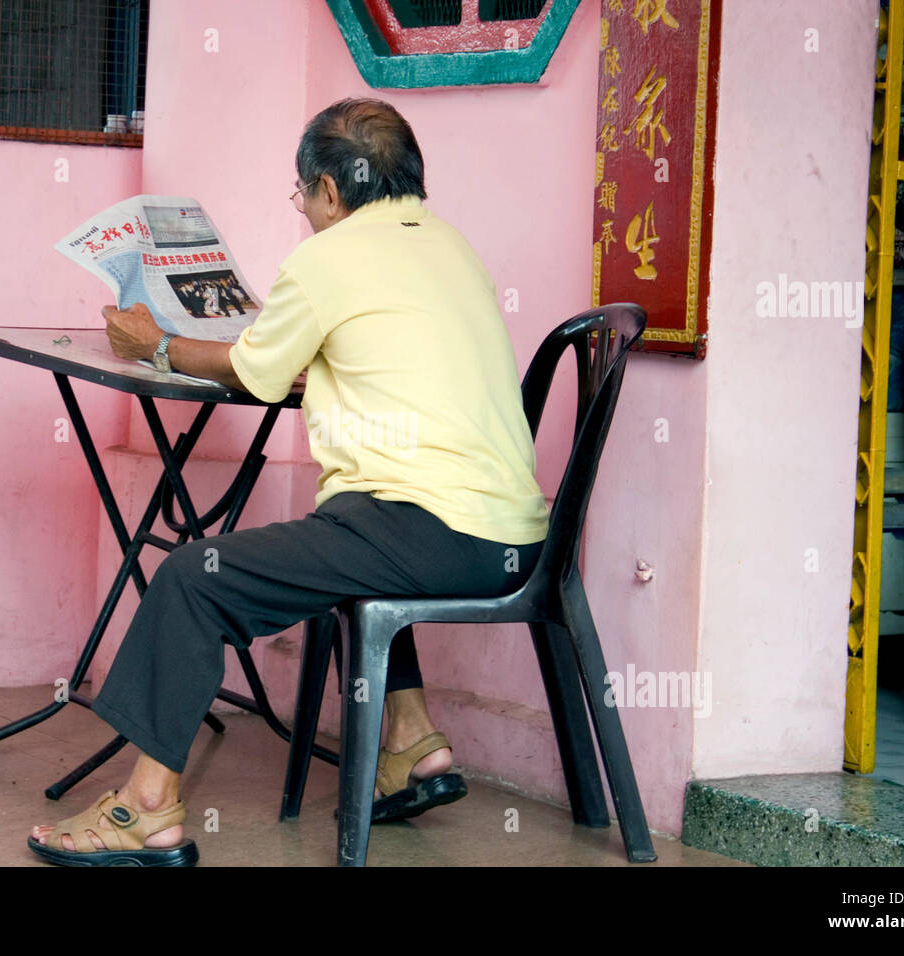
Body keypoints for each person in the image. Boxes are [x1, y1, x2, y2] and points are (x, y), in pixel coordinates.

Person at [29, 97, 548, 867]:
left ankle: (145, 809)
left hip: (429, 531)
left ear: (332, 193)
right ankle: (410, 741)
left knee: (191, 576)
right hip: (514, 538)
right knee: (348, 534)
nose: (303, 209)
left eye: (302, 193)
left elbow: (258, 370)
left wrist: (159, 345)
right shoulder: (453, 247)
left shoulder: (329, 258)